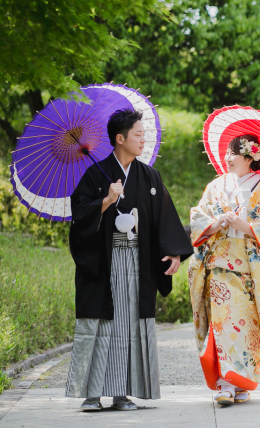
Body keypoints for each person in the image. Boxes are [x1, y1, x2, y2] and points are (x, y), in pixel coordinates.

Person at [65, 108, 193, 411]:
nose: (142, 139)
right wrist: (106, 201)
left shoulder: (149, 176)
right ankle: (91, 394)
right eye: (138, 134)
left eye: (143, 134)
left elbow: (164, 218)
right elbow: (79, 217)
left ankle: (122, 392)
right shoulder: (96, 175)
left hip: (138, 263)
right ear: (119, 138)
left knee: (128, 325)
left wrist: (174, 250)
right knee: (100, 324)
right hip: (103, 262)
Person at [188, 134, 260, 407]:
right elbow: (198, 217)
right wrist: (218, 222)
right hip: (219, 267)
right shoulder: (217, 185)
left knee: (248, 329)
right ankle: (225, 384)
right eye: (228, 153)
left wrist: (247, 227)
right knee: (223, 326)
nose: (228, 158)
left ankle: (241, 382)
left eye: (234, 153)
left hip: (248, 271)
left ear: (249, 158)